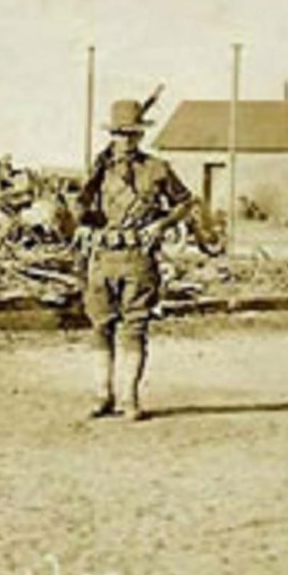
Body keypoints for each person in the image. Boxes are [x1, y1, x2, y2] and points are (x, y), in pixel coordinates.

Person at [76, 98, 195, 421]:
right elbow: (80, 207)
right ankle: (102, 394)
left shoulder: (157, 168)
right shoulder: (98, 169)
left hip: (138, 258)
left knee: (135, 327)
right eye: (120, 133)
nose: (126, 140)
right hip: (103, 258)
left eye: (132, 134)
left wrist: (162, 224)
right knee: (100, 326)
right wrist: (85, 224)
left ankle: (129, 397)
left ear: (141, 136)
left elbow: (185, 202)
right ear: (112, 134)